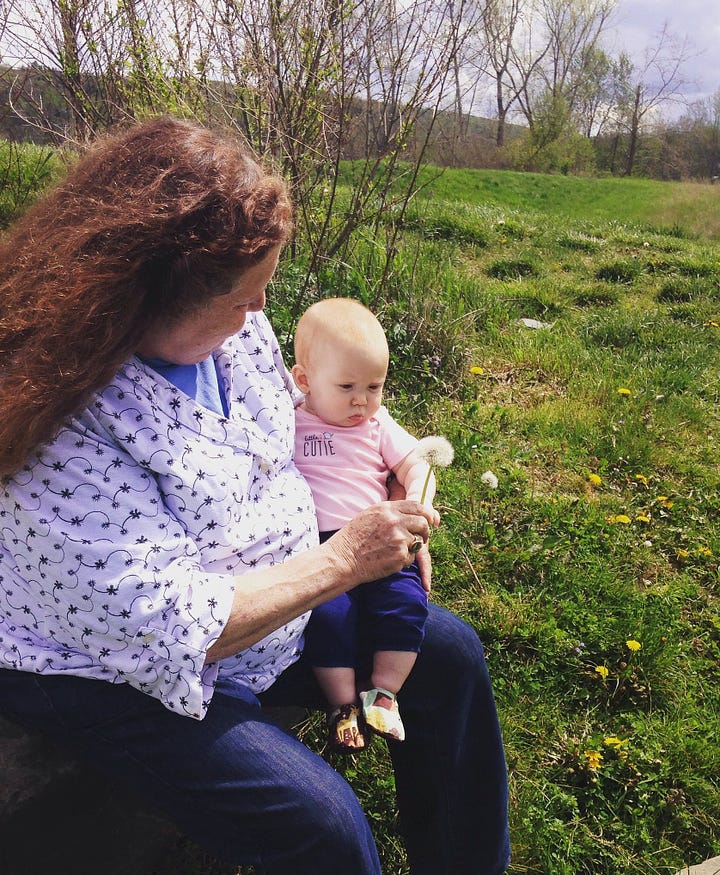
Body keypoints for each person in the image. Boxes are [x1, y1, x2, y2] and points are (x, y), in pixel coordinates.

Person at [0, 116, 510, 875]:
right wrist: (344, 561)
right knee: (325, 828)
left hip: (275, 606)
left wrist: (386, 486)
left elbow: (290, 441)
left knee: (453, 657)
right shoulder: (59, 421)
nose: (261, 308)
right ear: (146, 297)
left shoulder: (233, 334)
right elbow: (171, 625)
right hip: (113, 668)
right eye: (244, 296)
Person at [292, 297, 439, 751]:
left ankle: (384, 694)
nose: (363, 400)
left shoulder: (377, 425)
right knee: (326, 616)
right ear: (304, 380)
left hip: (381, 537)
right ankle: (341, 707)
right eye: (347, 386)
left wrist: (413, 504)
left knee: (406, 604)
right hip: (318, 545)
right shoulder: (286, 418)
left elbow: (416, 463)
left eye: (375, 386)